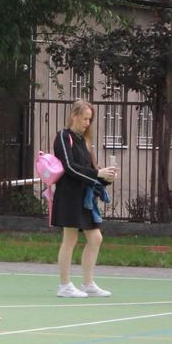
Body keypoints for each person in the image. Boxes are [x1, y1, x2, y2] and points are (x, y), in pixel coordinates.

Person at [52, 100, 117, 298]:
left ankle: (88, 283)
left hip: (85, 198)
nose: (87, 123)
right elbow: (70, 168)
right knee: (70, 238)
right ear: (74, 115)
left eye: (90, 119)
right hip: (69, 197)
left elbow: (90, 172)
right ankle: (64, 285)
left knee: (96, 238)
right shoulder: (63, 137)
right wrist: (98, 174)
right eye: (85, 118)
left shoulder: (84, 141)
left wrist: (106, 177)